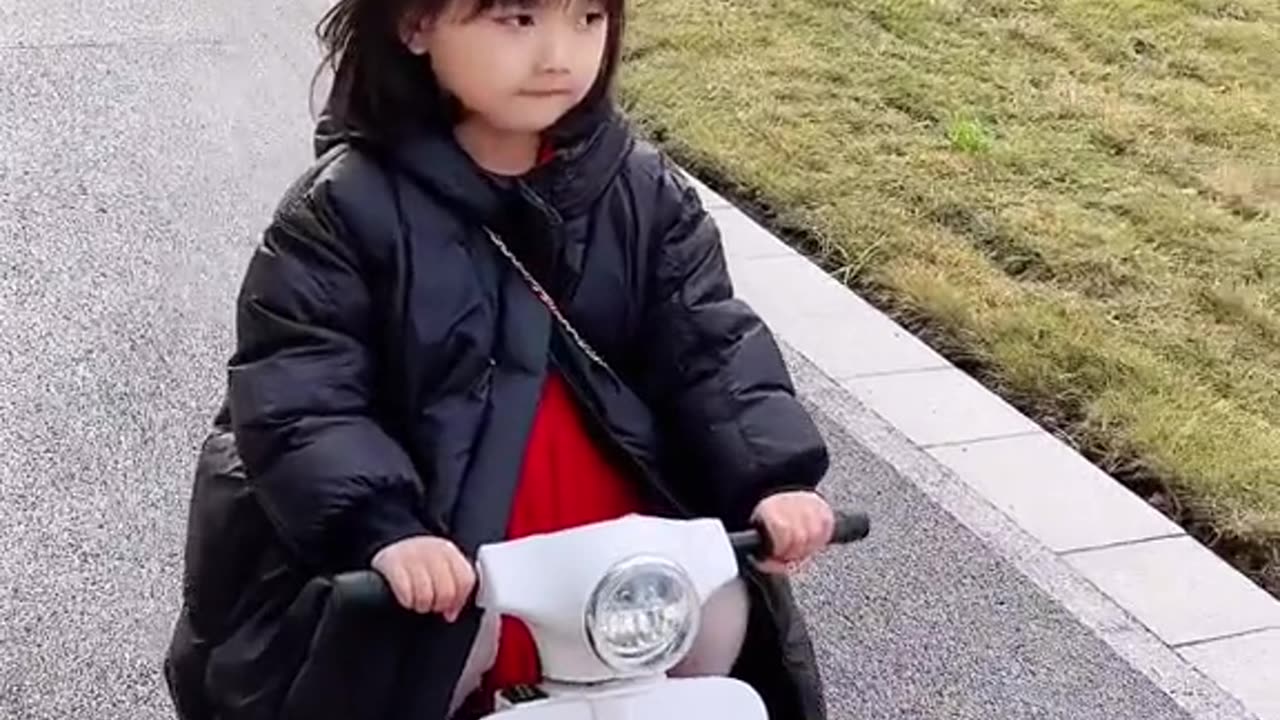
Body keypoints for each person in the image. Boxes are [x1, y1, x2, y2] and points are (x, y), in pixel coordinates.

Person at [164, 0, 835, 718]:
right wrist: (384, 528)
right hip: (447, 535)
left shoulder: (643, 191)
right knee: (418, 663)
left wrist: (774, 478)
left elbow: (707, 341)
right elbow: (304, 392)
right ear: (416, 25)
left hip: (623, 529)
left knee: (719, 625)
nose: (559, 55)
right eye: (517, 19)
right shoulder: (343, 213)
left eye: (587, 19)